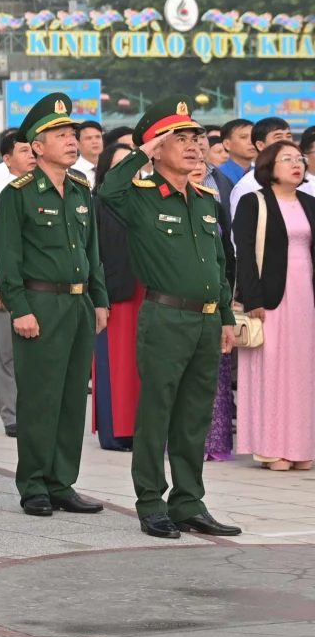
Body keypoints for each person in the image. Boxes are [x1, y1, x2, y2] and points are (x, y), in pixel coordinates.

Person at [97, 101, 242, 539]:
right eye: (179, 139)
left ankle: (188, 501)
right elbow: (107, 191)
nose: (194, 146)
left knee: (194, 414)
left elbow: (219, 264)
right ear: (158, 148)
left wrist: (227, 316)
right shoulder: (140, 198)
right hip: (164, 316)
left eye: (195, 138)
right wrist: (143, 151)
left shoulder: (204, 200)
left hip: (206, 320)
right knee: (157, 412)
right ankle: (150, 502)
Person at [0, 95, 109, 517]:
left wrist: (99, 300)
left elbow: (91, 250)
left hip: (79, 305)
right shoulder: (18, 195)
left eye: (73, 134)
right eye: (60, 135)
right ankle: (34, 484)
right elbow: (8, 259)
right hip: (39, 304)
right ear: (37, 146)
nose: (71, 141)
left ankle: (62, 482)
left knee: (72, 396)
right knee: (40, 398)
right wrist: (19, 308)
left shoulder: (80, 189)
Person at [233, 140, 315, 470]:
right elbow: (245, 256)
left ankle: (300, 446)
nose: (297, 164)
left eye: (299, 159)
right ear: (269, 166)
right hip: (270, 298)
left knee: (302, 370)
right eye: (287, 159)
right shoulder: (255, 202)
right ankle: (271, 448)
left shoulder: (309, 202)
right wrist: (253, 299)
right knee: (271, 369)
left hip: (304, 294)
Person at [0, 129, 34, 438]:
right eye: (24, 151)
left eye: (32, 150)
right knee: (6, 352)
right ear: (8, 157)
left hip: (37, 282)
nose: (31, 156)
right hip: (6, 281)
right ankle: (11, 413)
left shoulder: (42, 179)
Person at [91, 129, 142, 451]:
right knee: (115, 366)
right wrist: (98, 296)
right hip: (114, 292)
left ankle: (139, 428)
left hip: (147, 291)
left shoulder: (148, 200)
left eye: (133, 165)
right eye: (121, 166)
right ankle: (115, 432)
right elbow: (92, 253)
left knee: (140, 366)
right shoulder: (96, 202)